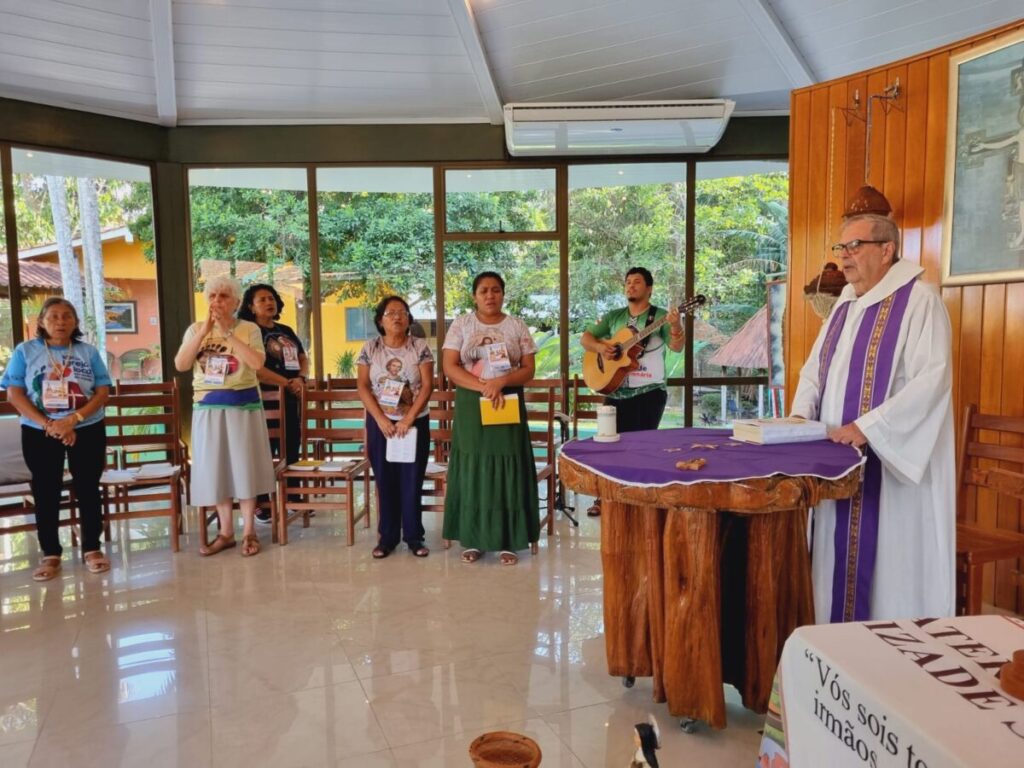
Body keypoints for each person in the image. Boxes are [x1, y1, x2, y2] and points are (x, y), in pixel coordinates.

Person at [791, 213, 955, 623]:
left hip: (891, 469)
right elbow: (814, 371)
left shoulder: (920, 301)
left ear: (887, 250)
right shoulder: (844, 305)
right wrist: (798, 417)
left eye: (854, 247)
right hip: (834, 458)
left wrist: (867, 428)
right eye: (840, 248)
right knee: (833, 565)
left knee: (888, 576)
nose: (844, 258)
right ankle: (833, 648)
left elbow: (931, 381)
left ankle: (890, 657)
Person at [1, 297, 112, 581]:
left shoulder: (88, 352)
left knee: (88, 486)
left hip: (87, 427)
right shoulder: (26, 351)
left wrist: (72, 420)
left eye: (67, 316)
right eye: (53, 317)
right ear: (41, 322)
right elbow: (14, 394)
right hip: (40, 430)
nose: (60, 322)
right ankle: (50, 553)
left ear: (75, 322)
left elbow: (102, 392)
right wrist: (50, 424)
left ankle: (92, 548)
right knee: (46, 489)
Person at [442, 271, 539, 565]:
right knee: (475, 465)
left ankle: (509, 540)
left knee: (507, 461)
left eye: (495, 290)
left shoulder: (516, 325)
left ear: (503, 294)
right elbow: (450, 366)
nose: (489, 295)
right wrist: (485, 386)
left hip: (506, 401)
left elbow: (529, 369)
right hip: (473, 403)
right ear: (475, 296)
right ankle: (473, 539)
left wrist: (501, 382)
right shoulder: (462, 324)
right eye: (483, 290)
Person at [174, 276, 275, 557]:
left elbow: (256, 363)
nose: (216, 301)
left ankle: (249, 533)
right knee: (217, 467)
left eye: (223, 296)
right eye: (213, 296)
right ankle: (226, 532)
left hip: (243, 406)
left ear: (236, 302)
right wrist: (205, 330)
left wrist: (228, 333)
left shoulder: (249, 328)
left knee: (244, 466)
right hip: (207, 407)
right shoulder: (196, 329)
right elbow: (181, 364)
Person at [580, 267, 684, 516]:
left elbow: (677, 347)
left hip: (649, 391)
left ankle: (640, 497)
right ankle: (604, 497)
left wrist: (676, 326)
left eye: (637, 282)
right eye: (628, 282)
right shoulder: (614, 317)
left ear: (649, 288)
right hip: (615, 390)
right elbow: (586, 338)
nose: (631, 286)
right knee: (608, 445)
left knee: (642, 447)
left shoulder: (660, 316)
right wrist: (601, 348)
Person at [356, 295, 434, 559]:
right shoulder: (370, 348)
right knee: (385, 480)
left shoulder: (420, 346)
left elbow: (427, 386)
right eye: (390, 313)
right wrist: (380, 419)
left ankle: (414, 537)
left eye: (402, 312)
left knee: (412, 479)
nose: (397, 317)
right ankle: (387, 538)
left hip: (415, 423)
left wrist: (408, 418)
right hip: (381, 423)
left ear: (409, 318)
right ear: (380, 320)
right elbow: (363, 387)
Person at [237, 283, 308, 523]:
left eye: (272, 298)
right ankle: (262, 502)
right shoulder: (248, 331)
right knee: (262, 450)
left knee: (291, 446)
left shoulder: (285, 330)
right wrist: (286, 383)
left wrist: (300, 379)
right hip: (261, 398)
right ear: (250, 306)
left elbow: (301, 356)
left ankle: (294, 496)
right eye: (262, 299)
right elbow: (256, 369)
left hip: (289, 397)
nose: (269, 302)